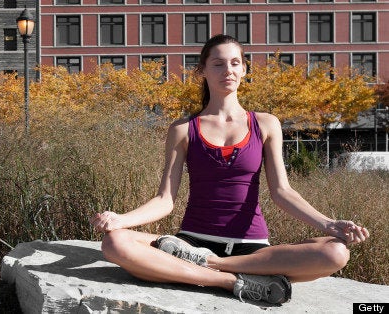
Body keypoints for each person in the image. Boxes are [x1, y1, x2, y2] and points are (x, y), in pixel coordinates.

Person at [89, 34, 370, 304]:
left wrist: (329, 224)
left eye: (235, 63)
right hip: (191, 242)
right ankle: (231, 282)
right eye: (218, 63)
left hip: (251, 249)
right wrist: (121, 220)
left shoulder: (265, 124)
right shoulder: (184, 129)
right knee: (115, 243)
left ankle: (212, 266)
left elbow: (283, 191)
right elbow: (165, 200)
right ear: (202, 71)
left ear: (245, 69)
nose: (228, 70)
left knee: (336, 253)